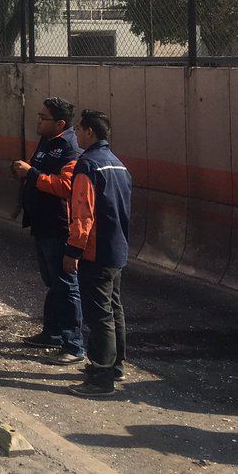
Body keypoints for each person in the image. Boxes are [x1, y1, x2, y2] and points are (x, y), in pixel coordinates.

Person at [11, 97, 84, 364]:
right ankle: (52, 332)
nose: (38, 121)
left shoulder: (68, 148)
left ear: (60, 123)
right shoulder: (46, 141)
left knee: (66, 284)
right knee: (53, 282)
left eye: (43, 118)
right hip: (41, 224)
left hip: (58, 226)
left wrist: (31, 174)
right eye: (38, 116)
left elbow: (66, 187)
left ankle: (73, 344)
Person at [64, 109, 132, 397]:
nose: (76, 134)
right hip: (117, 249)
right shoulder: (118, 165)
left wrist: (72, 250)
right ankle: (115, 365)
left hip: (95, 251)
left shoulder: (87, 166)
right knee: (114, 309)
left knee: (99, 313)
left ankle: (102, 377)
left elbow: (83, 214)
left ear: (90, 132)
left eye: (79, 130)